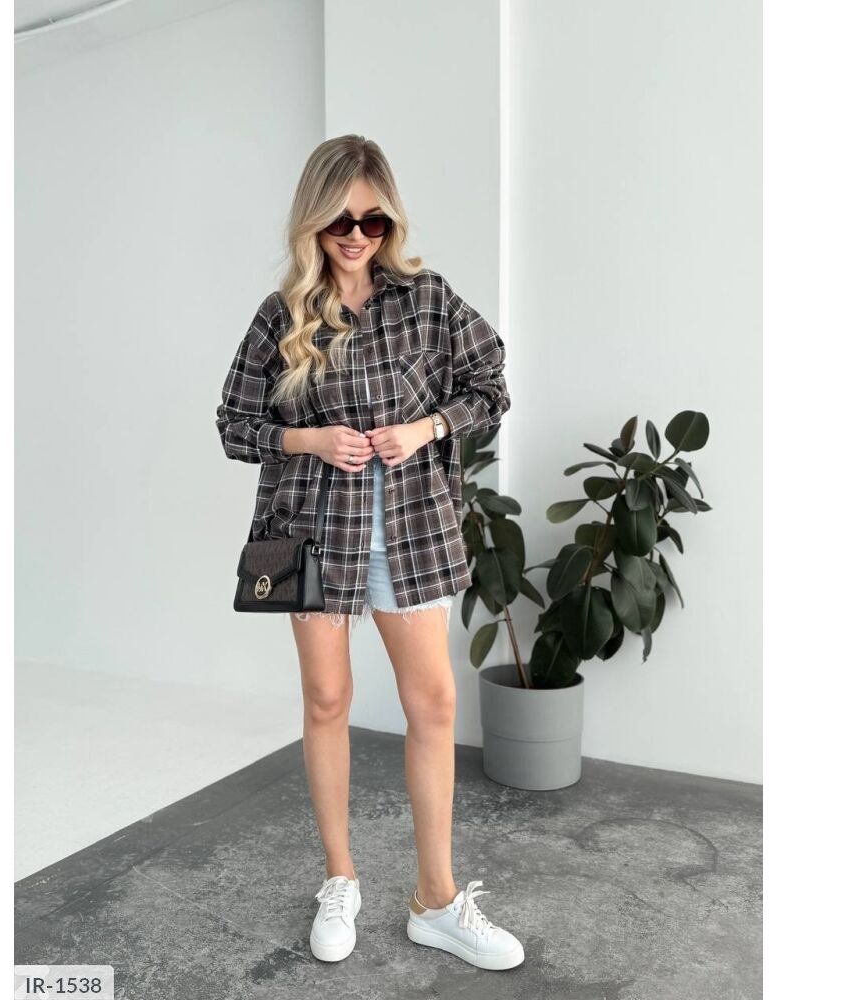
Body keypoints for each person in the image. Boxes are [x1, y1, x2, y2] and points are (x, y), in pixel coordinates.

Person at [215, 135, 523, 971]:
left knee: (433, 705)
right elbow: (234, 425)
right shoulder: (281, 315)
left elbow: (490, 382)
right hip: (314, 534)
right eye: (340, 221)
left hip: (412, 528)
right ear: (313, 221)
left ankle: (435, 899)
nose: (356, 236)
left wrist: (426, 427)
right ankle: (340, 878)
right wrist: (308, 438)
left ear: (390, 220)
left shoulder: (426, 299)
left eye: (372, 220)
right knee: (326, 700)